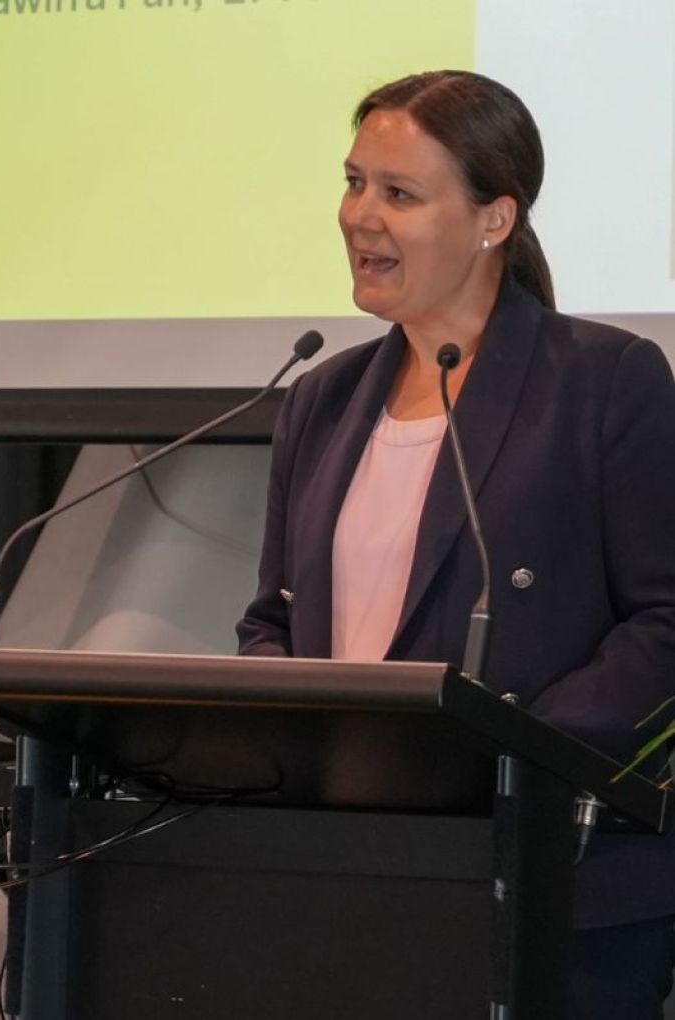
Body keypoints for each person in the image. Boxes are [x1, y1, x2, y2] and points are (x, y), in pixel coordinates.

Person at [236, 70, 675, 1018]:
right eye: (353, 182)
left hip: (563, 881)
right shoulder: (321, 398)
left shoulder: (606, 382)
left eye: (399, 193)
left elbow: (665, 620)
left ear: (494, 219)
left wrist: (505, 754)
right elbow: (271, 620)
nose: (360, 216)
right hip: (359, 869)